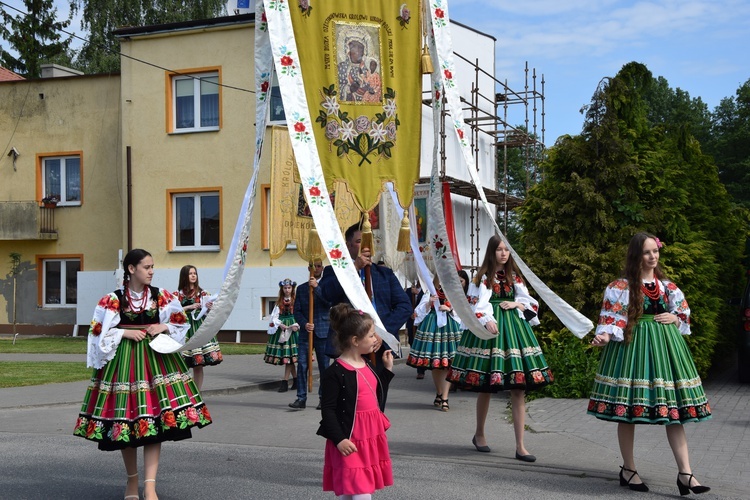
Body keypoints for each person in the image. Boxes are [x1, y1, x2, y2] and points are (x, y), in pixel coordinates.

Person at [73, 249, 211, 500]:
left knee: (154, 421)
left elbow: (182, 322)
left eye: (152, 266)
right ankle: (131, 481)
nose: (151, 271)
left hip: (156, 362)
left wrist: (163, 326)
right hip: (124, 363)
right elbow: (97, 333)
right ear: (131, 269)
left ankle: (149, 485)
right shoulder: (112, 299)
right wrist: (124, 333)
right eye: (146, 267)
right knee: (125, 421)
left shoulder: (161, 296)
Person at [588, 232, 711, 494]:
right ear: (636, 255)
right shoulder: (620, 287)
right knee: (629, 409)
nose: (653, 256)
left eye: (655, 251)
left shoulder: (668, 286)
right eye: (647, 252)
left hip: (666, 350)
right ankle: (629, 469)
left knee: (674, 410)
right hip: (633, 349)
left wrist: (675, 319)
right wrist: (603, 336)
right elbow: (613, 320)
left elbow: (683, 314)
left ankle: (686, 474)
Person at [448, 235, 552, 462]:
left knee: (518, 387)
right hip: (490, 331)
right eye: (499, 249)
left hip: (514, 330)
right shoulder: (482, 277)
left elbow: (529, 303)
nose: (503, 253)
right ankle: (480, 433)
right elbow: (475, 303)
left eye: (506, 249)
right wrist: (486, 319)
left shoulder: (515, 277)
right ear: (491, 252)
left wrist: (516, 303)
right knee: (486, 385)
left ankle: (520, 446)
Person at [317, 303, 395, 499]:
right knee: (361, 491)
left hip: (369, 435)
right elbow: (327, 410)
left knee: (351, 490)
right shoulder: (335, 373)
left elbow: (375, 394)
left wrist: (386, 370)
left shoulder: (366, 363)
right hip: (350, 437)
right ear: (355, 340)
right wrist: (339, 439)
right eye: (370, 335)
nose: (375, 339)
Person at [318, 222, 412, 360]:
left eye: (369, 241)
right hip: (349, 343)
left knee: (379, 381)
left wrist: (381, 333)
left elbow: (405, 306)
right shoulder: (335, 271)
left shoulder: (385, 274)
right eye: (359, 241)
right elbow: (327, 294)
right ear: (348, 245)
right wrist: (354, 268)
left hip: (380, 344)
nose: (365, 246)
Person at [406, 275, 462, 411]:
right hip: (433, 325)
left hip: (450, 327)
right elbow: (418, 311)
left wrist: (450, 309)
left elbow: (463, 309)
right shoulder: (430, 291)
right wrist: (429, 303)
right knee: (436, 364)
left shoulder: (454, 290)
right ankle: (439, 392)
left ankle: (445, 397)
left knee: (448, 364)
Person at [289, 260, 331, 410]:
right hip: (306, 333)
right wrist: (304, 323)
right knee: (302, 365)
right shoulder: (301, 289)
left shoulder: (326, 286)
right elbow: (297, 311)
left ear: (322, 268)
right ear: (309, 268)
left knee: (324, 367)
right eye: (314, 266)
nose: (316, 269)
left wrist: (317, 288)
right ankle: (301, 398)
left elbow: (329, 303)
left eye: (319, 266)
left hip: (323, 331)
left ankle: (324, 398)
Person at [175, 265, 223, 391]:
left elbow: (212, 313)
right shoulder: (177, 295)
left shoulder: (203, 294)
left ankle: (197, 392)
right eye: (190, 273)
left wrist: (209, 307)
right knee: (182, 364)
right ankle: (184, 392)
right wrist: (188, 307)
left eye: (194, 273)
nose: (193, 275)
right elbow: (172, 312)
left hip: (198, 328)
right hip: (184, 330)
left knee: (198, 364)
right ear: (184, 276)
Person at [265, 279, 299, 393]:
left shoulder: (296, 300)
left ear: (292, 289)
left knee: (289, 357)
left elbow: (300, 314)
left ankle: (285, 382)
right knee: (288, 357)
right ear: (282, 289)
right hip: (283, 329)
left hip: (293, 330)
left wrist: (296, 325)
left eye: (289, 288)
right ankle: (296, 381)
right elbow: (274, 316)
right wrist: (280, 324)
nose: (287, 290)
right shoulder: (279, 302)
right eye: (285, 288)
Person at [404, 282, 426, 379]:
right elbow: (404, 304)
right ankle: (417, 363)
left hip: (423, 323)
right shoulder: (409, 291)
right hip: (411, 322)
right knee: (413, 342)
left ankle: (420, 370)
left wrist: (418, 294)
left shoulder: (426, 291)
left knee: (421, 345)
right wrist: (410, 314)